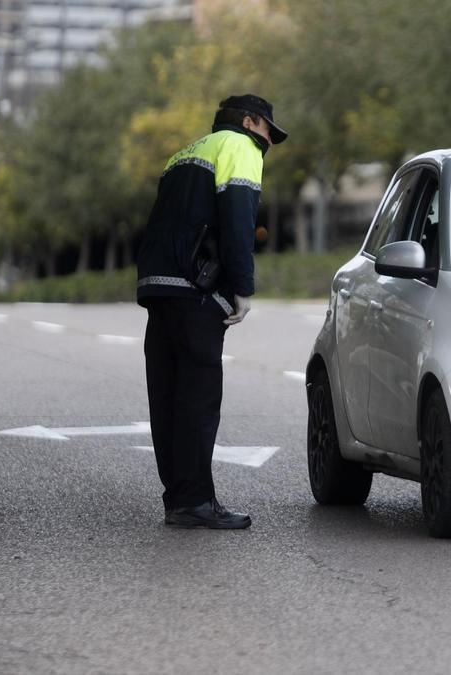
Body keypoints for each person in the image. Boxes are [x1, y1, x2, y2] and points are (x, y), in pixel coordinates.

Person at [136, 94, 287, 529]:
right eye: (268, 133)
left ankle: (180, 499)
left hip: (159, 287)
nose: (269, 144)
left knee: (167, 397)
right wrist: (242, 287)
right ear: (249, 121)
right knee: (199, 399)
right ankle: (196, 502)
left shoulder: (183, 154)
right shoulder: (238, 147)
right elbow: (239, 219)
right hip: (196, 290)